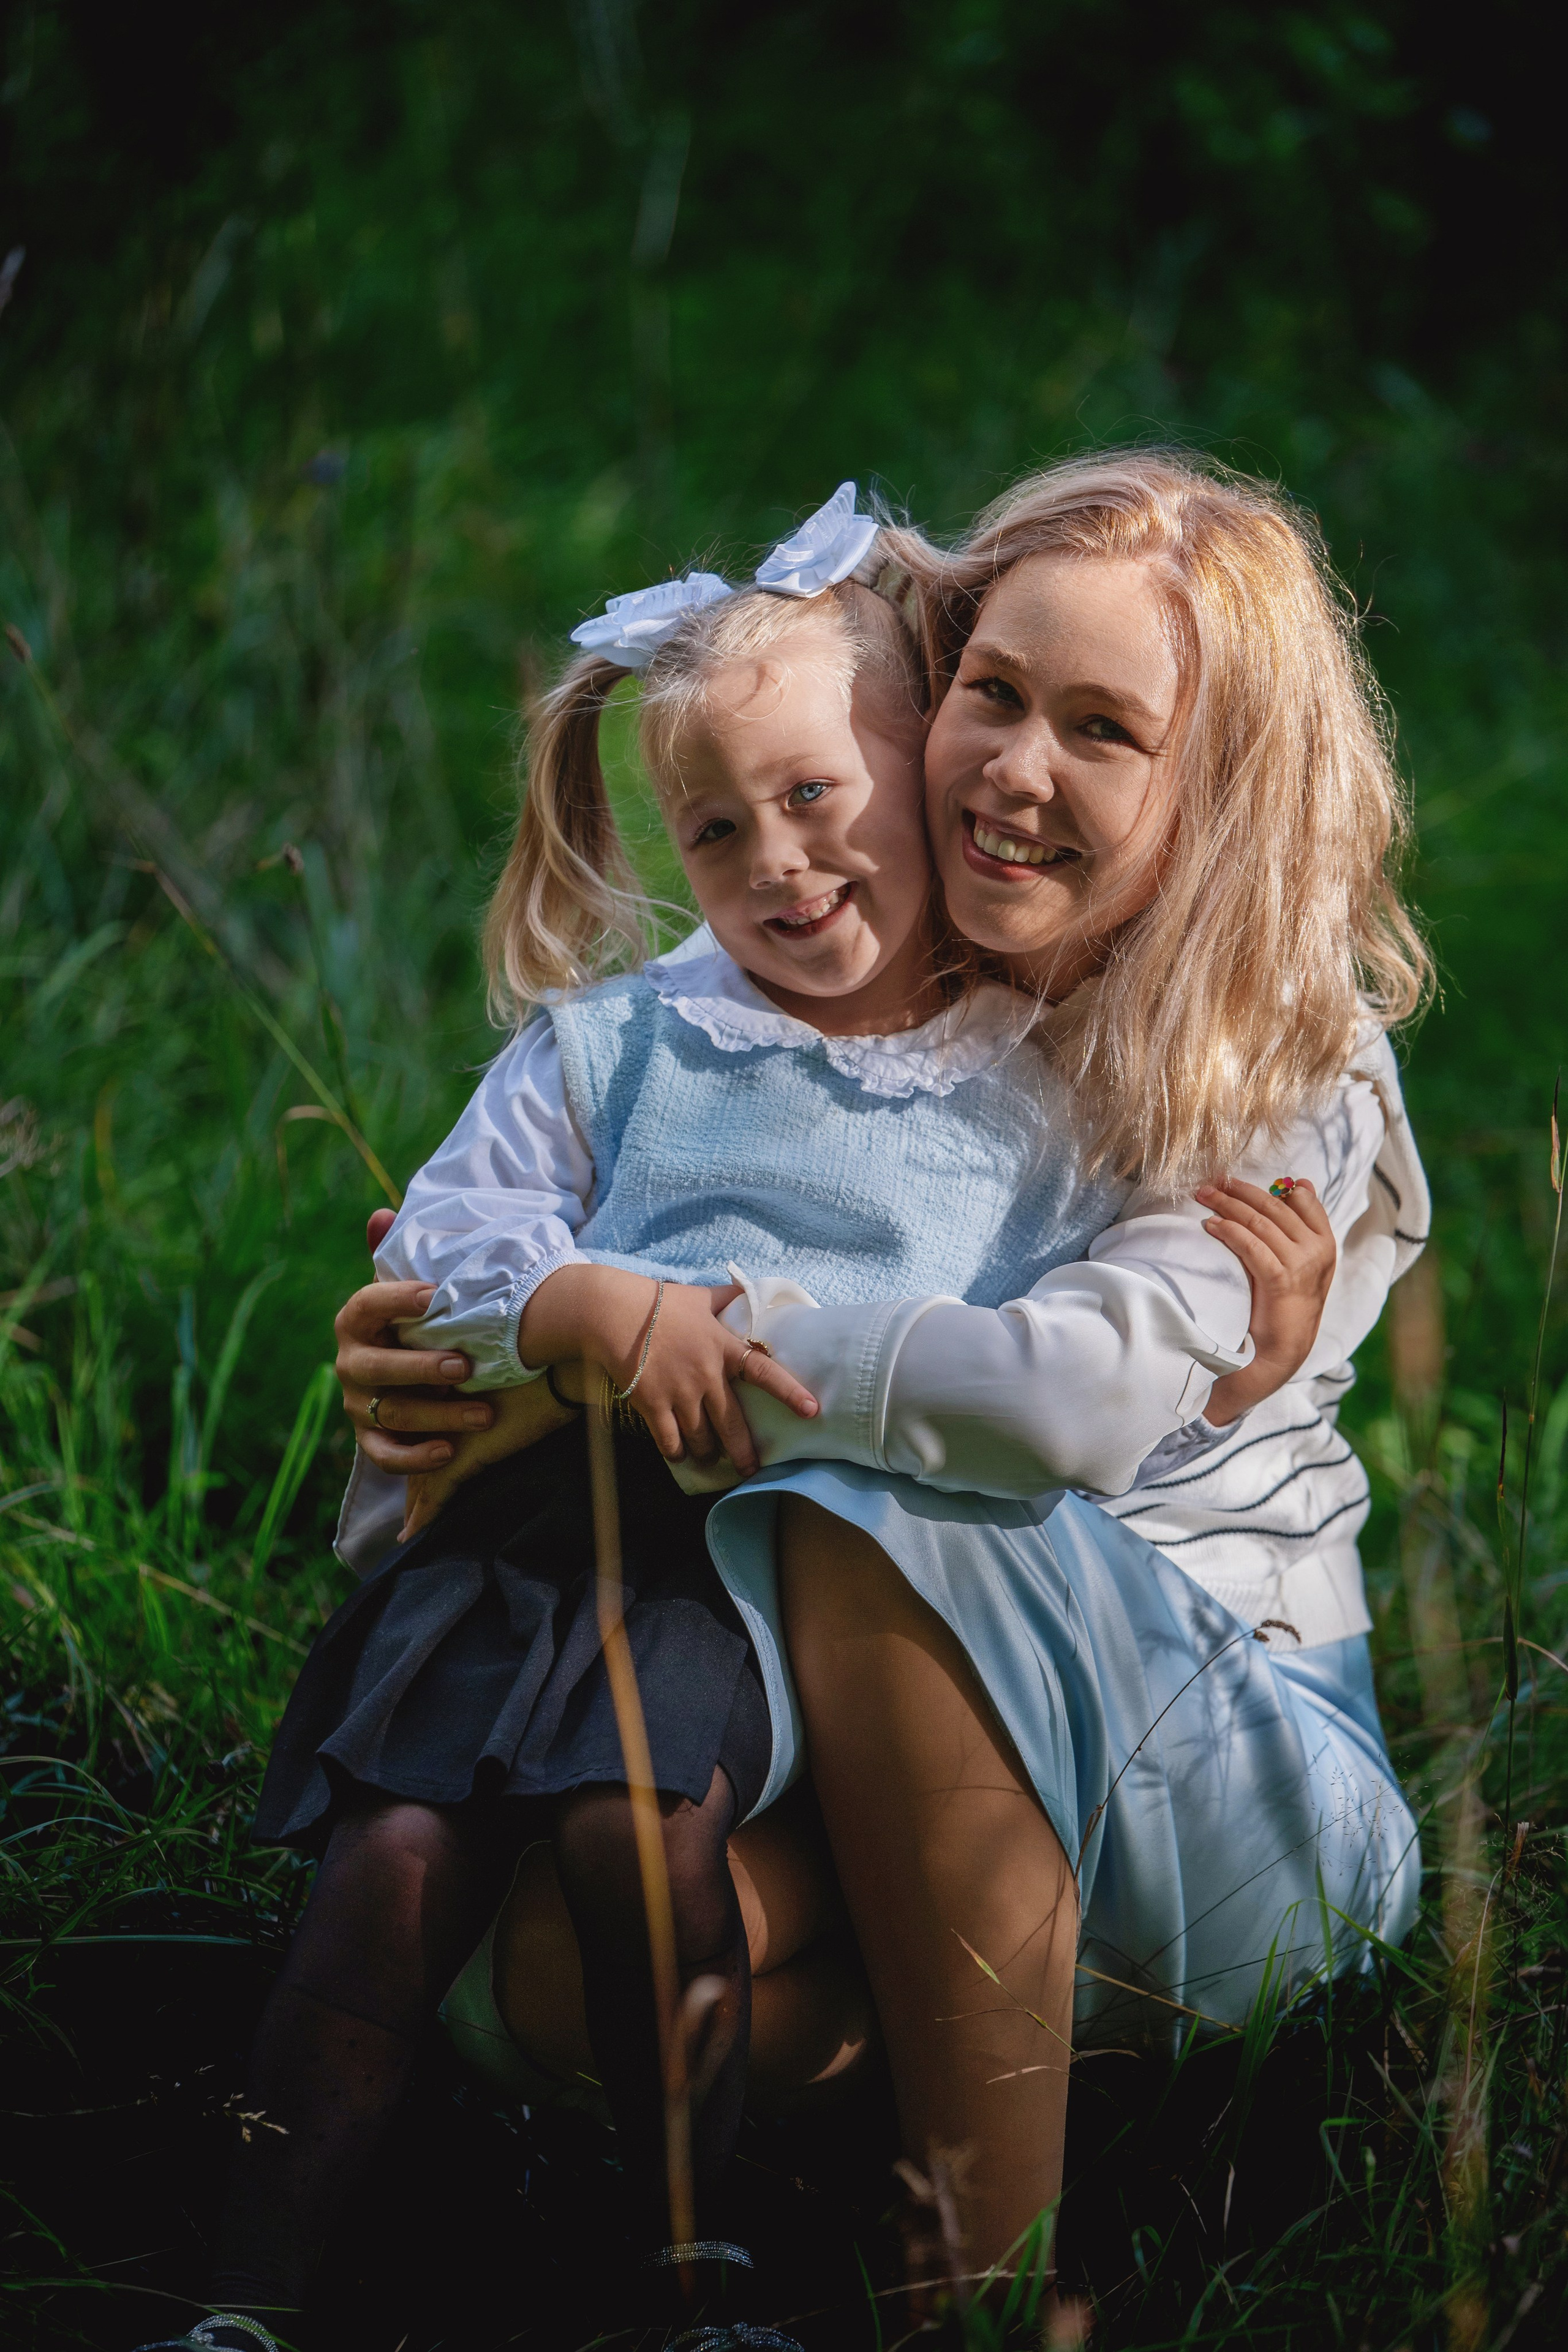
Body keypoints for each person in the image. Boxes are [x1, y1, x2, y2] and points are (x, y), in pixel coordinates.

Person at [151, 486, 1327, 2352]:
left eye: (813, 802)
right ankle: (241, 2297)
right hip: (536, 1560)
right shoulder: (628, 1039)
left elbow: (1070, 1391)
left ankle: (735, 2275)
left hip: (793, 1602)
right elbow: (460, 1236)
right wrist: (564, 1309)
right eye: (716, 831)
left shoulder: (1077, 1087)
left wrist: (1224, 1379)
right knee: (392, 1877)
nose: (780, 868)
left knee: (645, 1839)